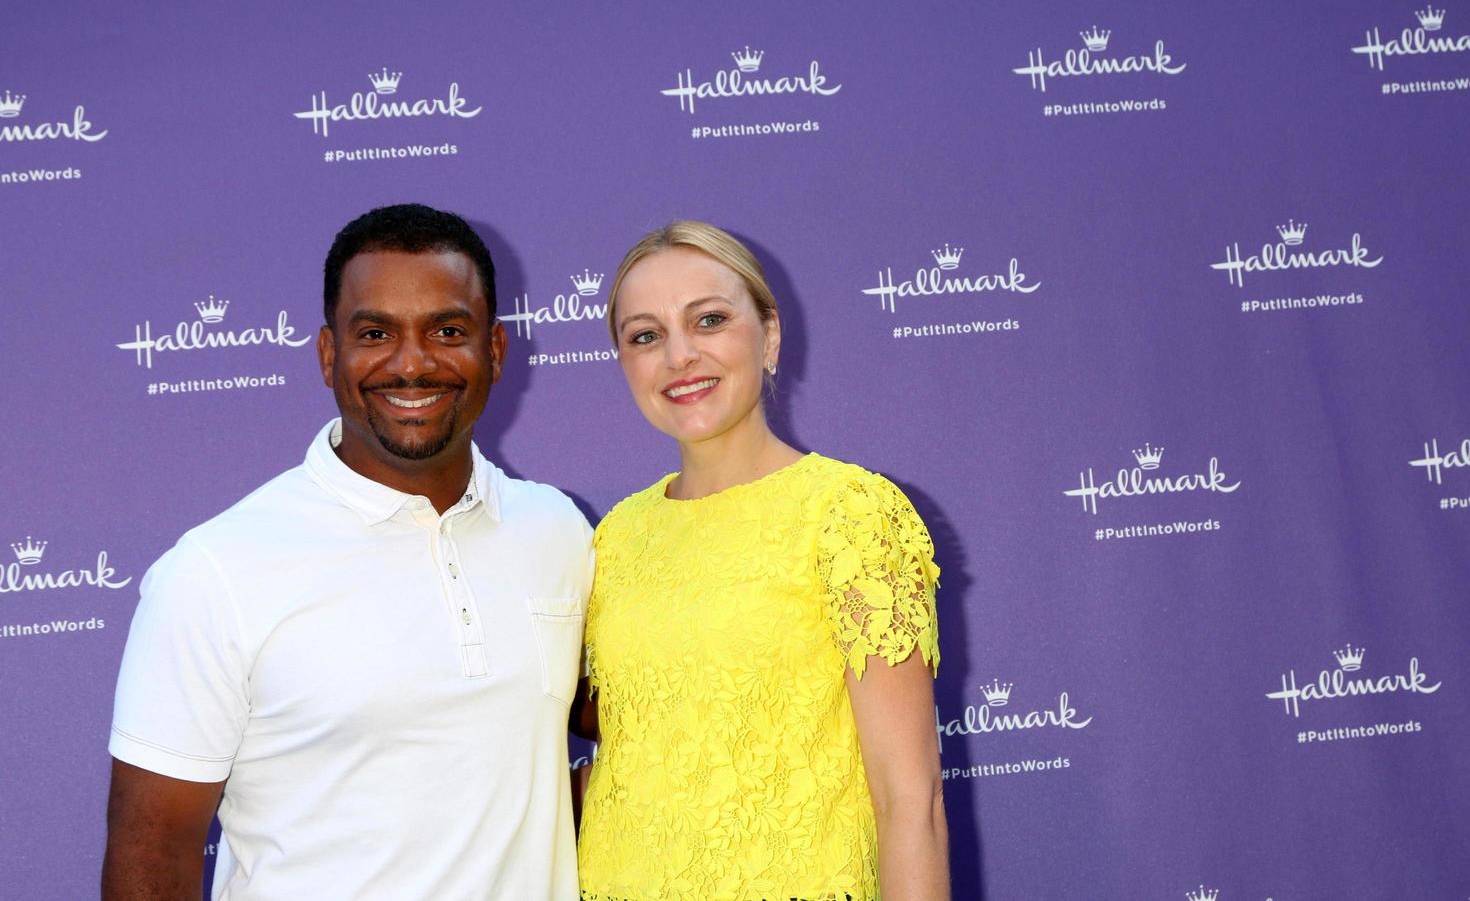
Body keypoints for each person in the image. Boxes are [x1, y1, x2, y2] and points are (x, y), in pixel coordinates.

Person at [102, 204, 593, 900]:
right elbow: (151, 858)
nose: (414, 363)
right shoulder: (215, 572)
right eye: (376, 333)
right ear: (330, 355)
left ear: (497, 351)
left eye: (448, 330)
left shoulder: (556, 530)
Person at [575, 221, 949, 900]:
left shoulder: (853, 513)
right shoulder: (616, 537)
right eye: (646, 335)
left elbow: (909, 799)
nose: (679, 356)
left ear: (769, 335)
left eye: (709, 320)